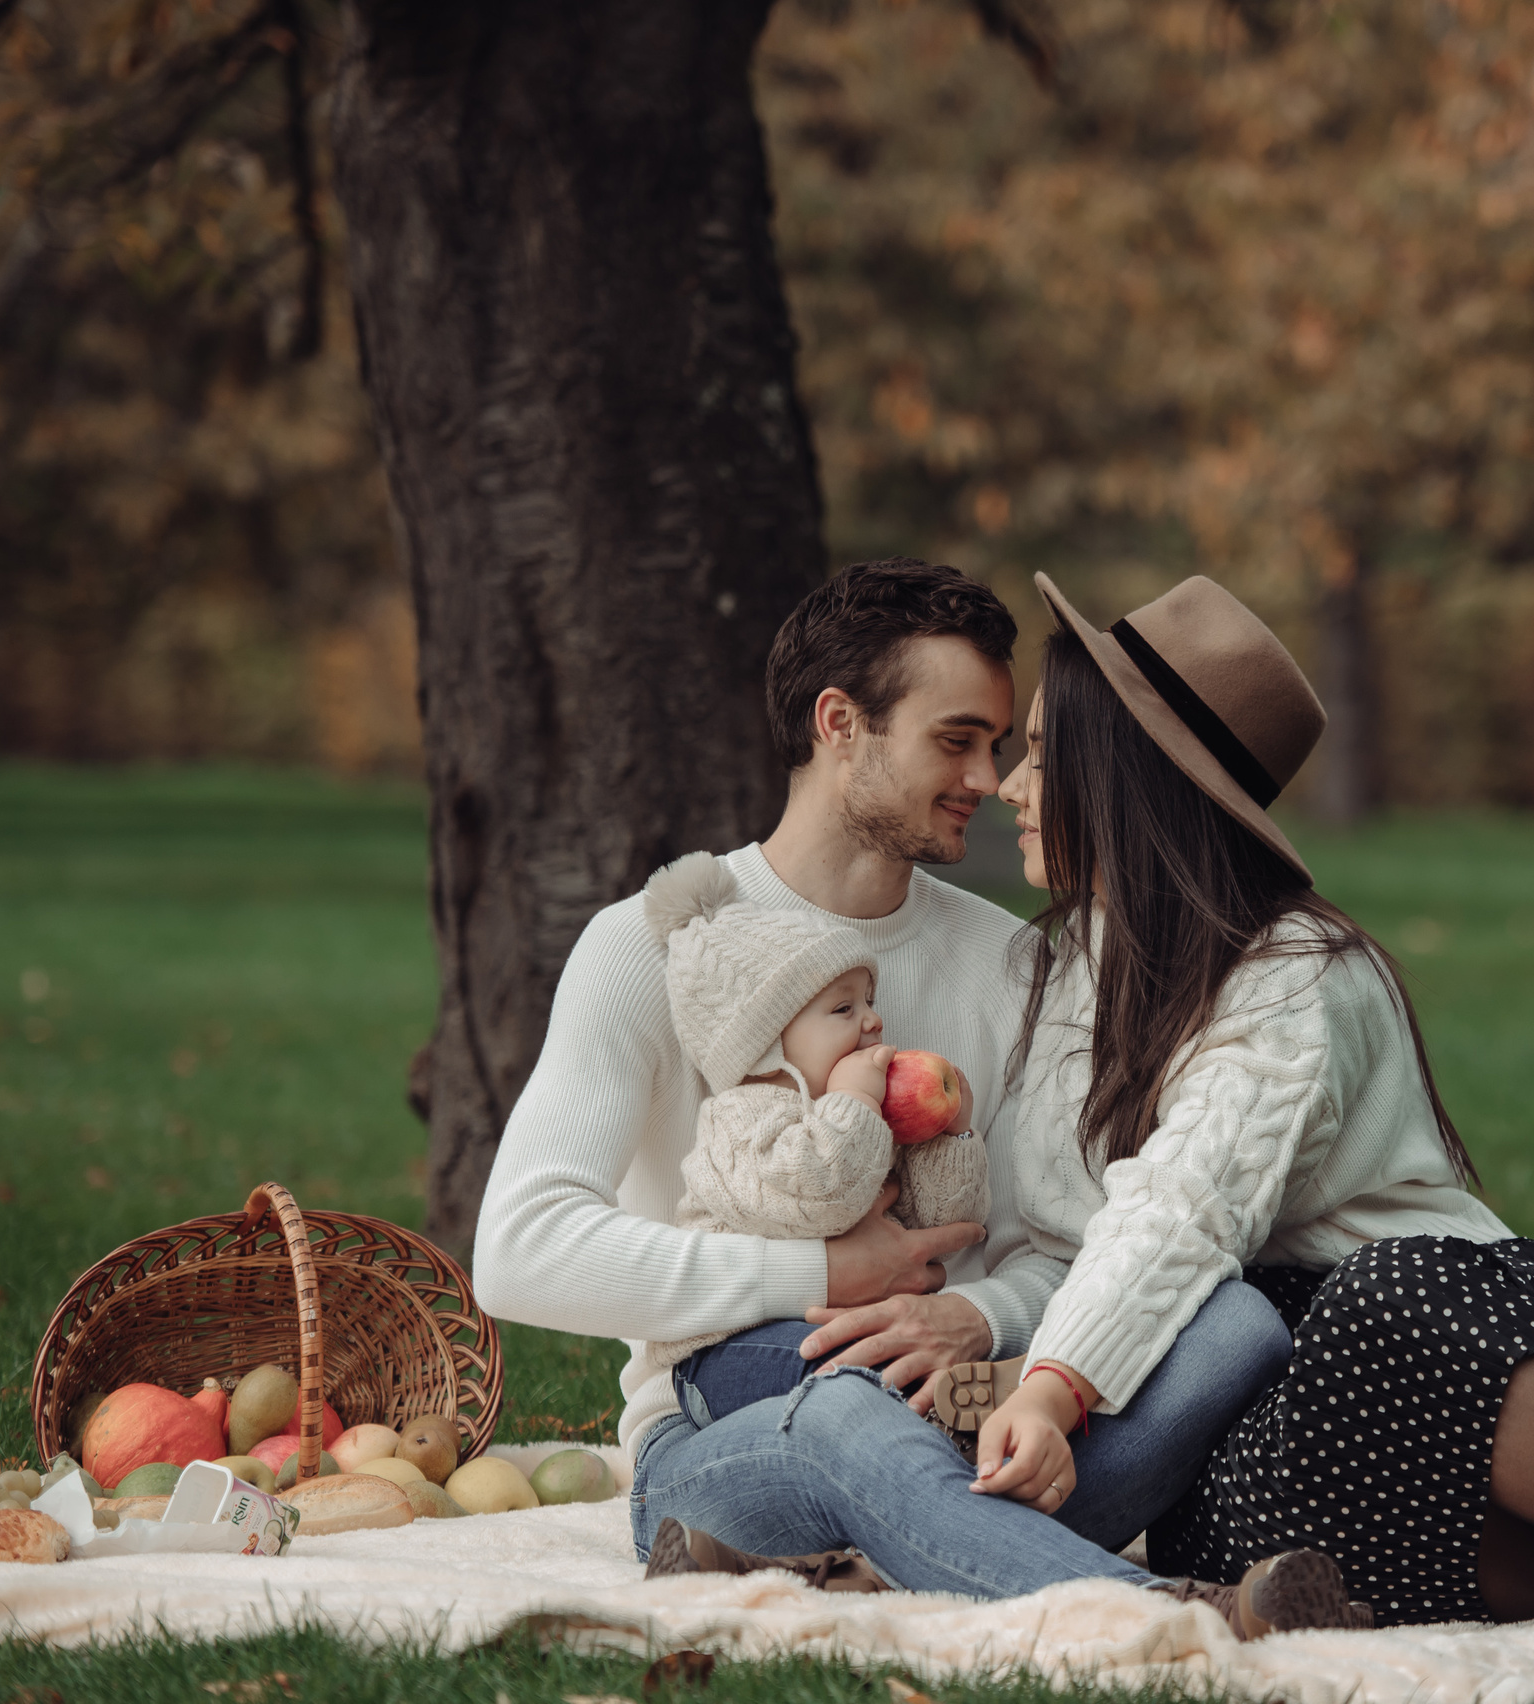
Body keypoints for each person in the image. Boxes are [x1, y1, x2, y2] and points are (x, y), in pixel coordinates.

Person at [643, 574, 1534, 1683]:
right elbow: (1078, 1234)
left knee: (1378, 1307)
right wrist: (992, 1334)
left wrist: (1056, 1390)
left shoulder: (1297, 973)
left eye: (1044, 756)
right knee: (1234, 1477)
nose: (1007, 785)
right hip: (1277, 1379)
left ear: (1130, 782)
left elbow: (1188, 1207)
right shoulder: (1056, 977)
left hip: (1465, 1341)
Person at [471, 559, 1291, 1580]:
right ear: (839, 724)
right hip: (733, 1432)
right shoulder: (655, 942)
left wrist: (973, 1318)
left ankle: (914, 1543)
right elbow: (521, 1252)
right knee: (846, 1416)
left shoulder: (1021, 965)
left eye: (995, 746)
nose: (989, 782)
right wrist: (822, 1275)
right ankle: (1159, 1614)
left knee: (1235, 1326)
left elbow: (1075, 1247)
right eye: (955, 741)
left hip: (981, 1421)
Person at [636, 848, 987, 1376]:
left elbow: (930, 1224)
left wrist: (950, 1137)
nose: (873, 1021)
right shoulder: (738, 1121)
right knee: (859, 1378)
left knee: (893, 1368)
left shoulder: (854, 1122)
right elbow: (822, 1194)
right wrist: (856, 1102)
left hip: (834, 1332)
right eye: (844, 1008)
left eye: (869, 1001)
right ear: (765, 1045)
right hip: (731, 1346)